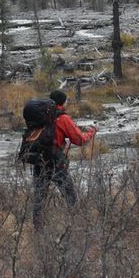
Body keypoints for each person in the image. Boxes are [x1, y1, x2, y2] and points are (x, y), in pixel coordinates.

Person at [32, 90, 96, 229]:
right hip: (55, 162)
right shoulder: (63, 118)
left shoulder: (41, 115)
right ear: (63, 102)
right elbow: (80, 140)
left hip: (38, 160)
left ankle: (38, 229)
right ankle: (75, 226)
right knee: (70, 195)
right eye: (67, 101)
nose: (67, 103)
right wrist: (92, 131)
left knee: (39, 197)